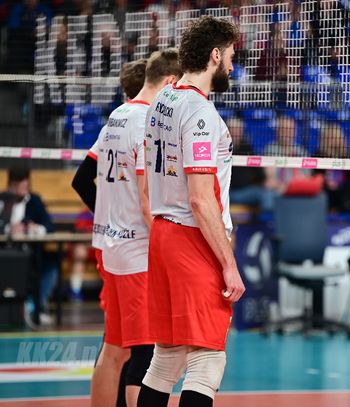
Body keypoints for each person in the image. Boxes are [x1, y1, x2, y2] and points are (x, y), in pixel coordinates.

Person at [138, 16, 245, 407]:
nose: (232, 64)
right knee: (207, 359)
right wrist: (229, 264)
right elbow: (201, 199)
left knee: (166, 359)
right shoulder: (200, 113)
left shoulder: (161, 100)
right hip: (191, 238)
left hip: (163, 235)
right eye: (230, 55)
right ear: (215, 55)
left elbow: (147, 183)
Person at [72, 51, 181, 407]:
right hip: (137, 252)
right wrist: (170, 249)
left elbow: (85, 179)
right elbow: (147, 200)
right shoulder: (147, 122)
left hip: (111, 247)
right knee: (146, 353)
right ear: (169, 83)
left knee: (115, 348)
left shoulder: (117, 116)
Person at [0, 165, 55, 325]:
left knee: (51, 265)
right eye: (18, 186)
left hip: (30, 253)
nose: (21, 191)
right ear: (10, 185)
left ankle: (37, 308)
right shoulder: (3, 200)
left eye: (25, 186)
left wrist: (35, 228)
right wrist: (8, 229)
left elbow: (49, 226)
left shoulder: (34, 201)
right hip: (4, 253)